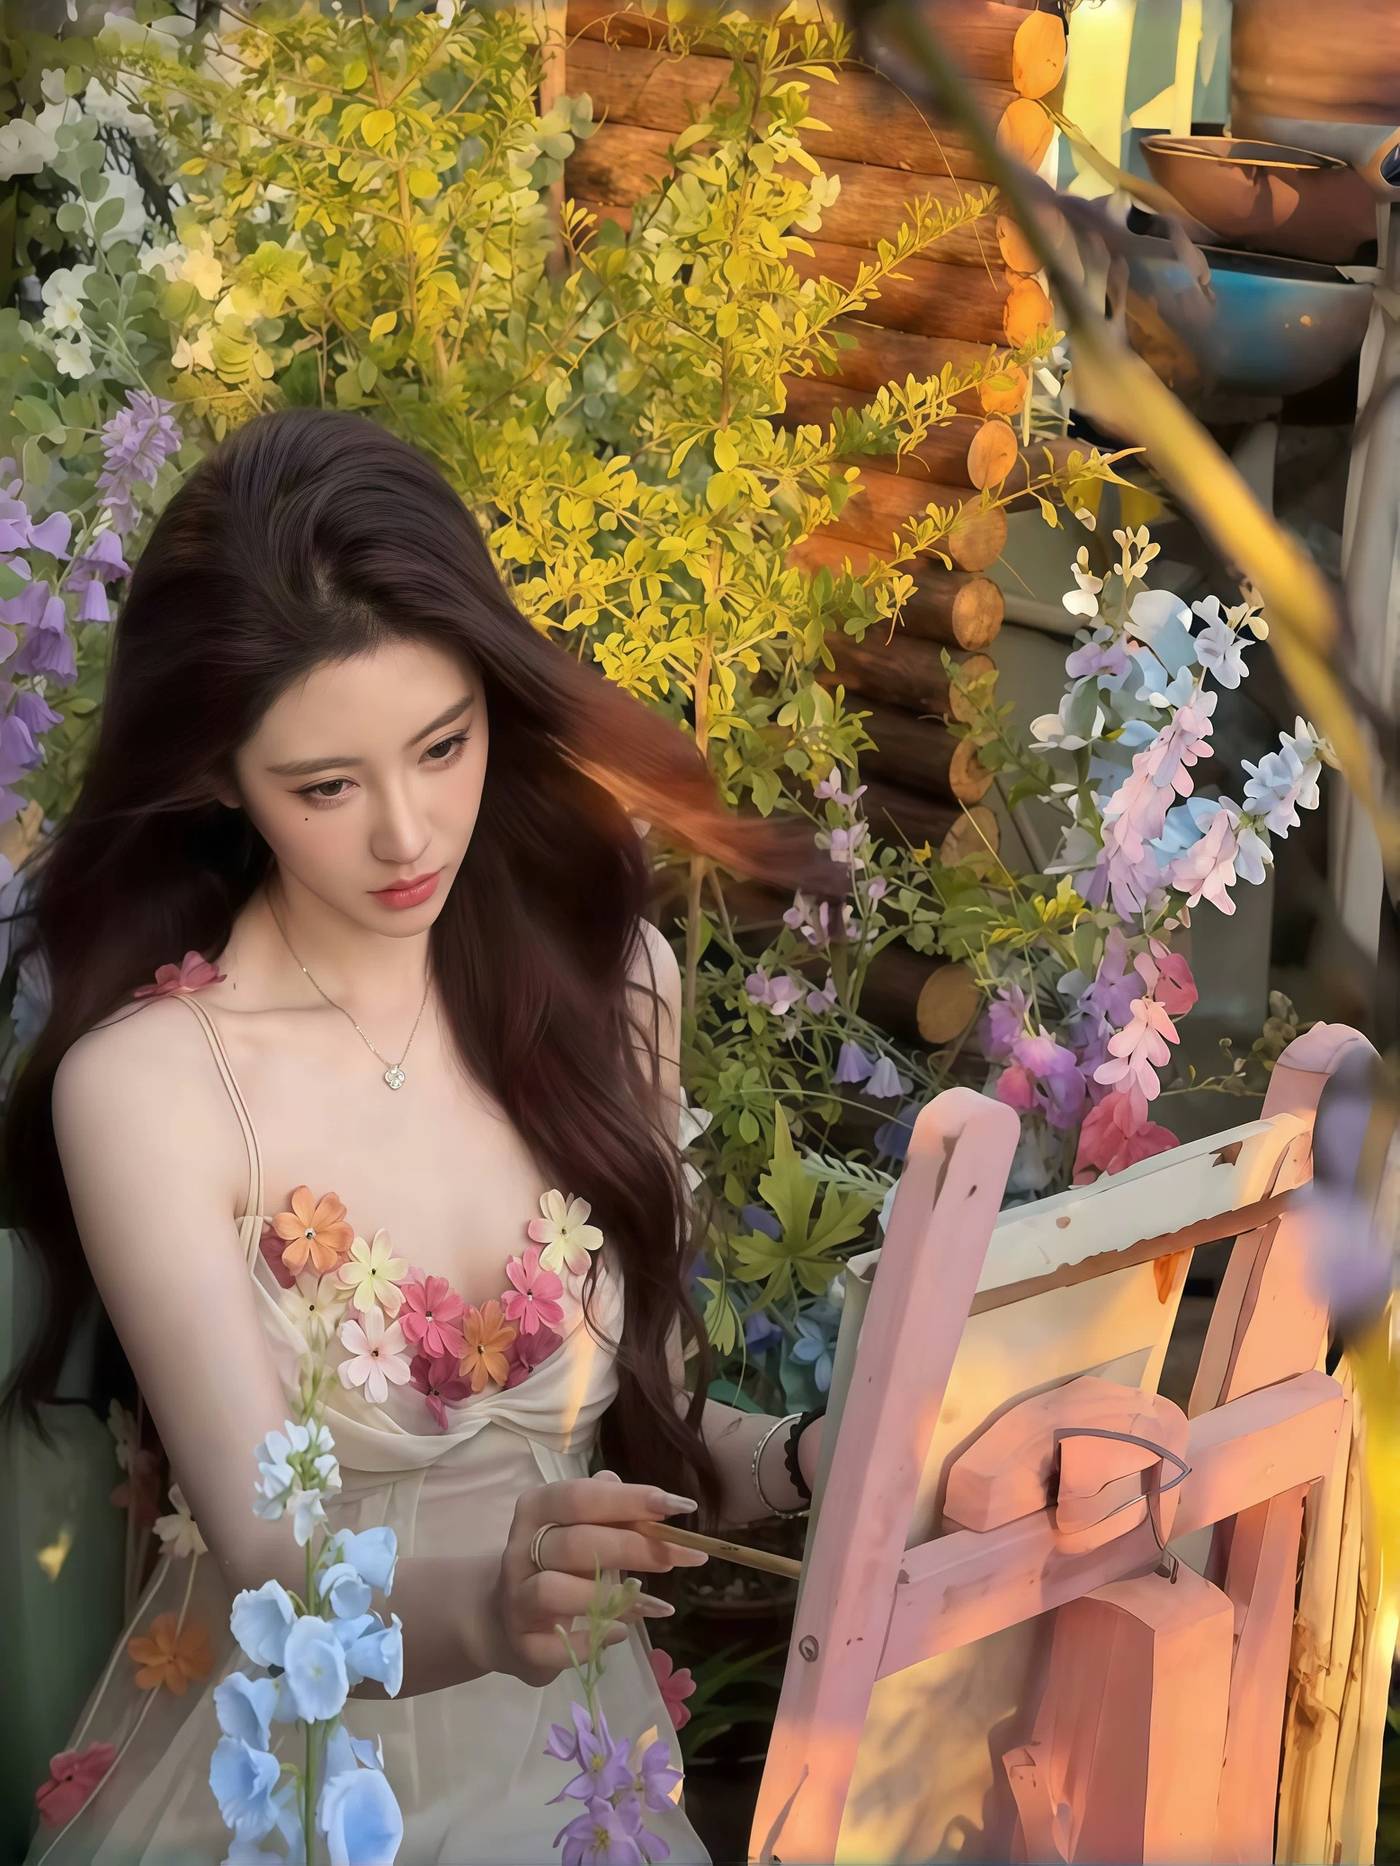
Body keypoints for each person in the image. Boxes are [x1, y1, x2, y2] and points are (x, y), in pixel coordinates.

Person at [0, 407, 844, 1864]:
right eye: (326, 787)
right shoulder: (153, 1087)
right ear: (219, 775)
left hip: (579, 1782)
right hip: (290, 1784)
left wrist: (822, 1458)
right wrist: (489, 1607)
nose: (407, 834)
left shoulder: (610, 988)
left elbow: (635, 1432)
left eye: (443, 745)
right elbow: (268, 1554)